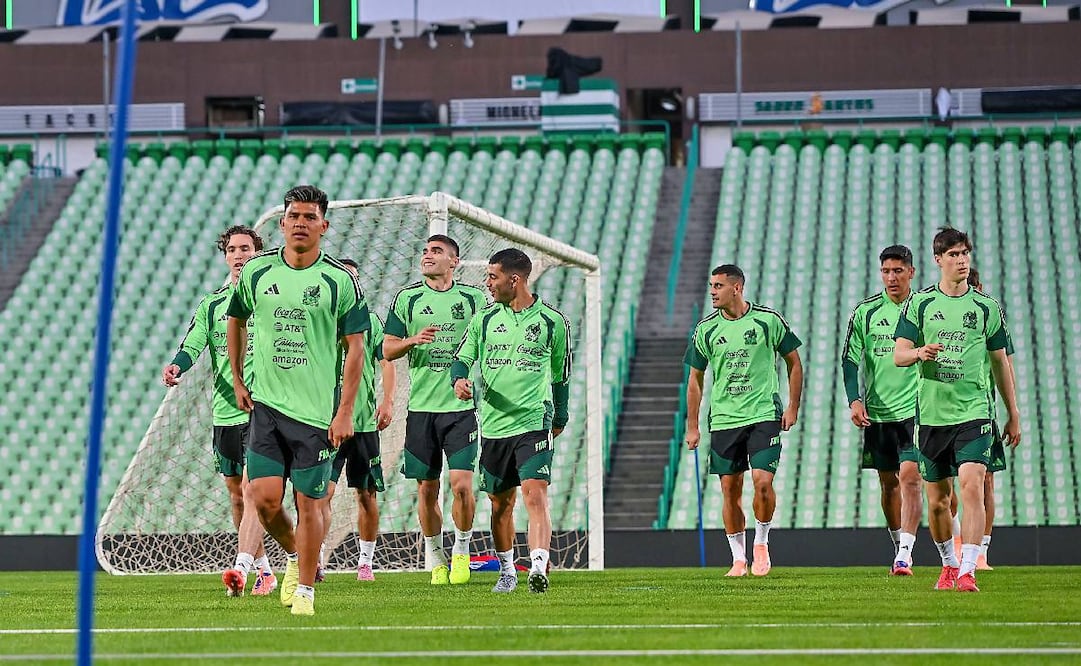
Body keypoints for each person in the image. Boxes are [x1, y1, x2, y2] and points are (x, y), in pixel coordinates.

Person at [227, 185, 370, 616]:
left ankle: (304, 590)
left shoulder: (339, 281)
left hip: (315, 414)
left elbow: (356, 348)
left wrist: (345, 411)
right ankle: (296, 556)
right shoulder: (256, 273)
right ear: (283, 223)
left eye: (310, 217)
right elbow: (236, 320)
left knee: (311, 503)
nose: (301, 223)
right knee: (265, 500)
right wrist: (237, 378)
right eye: (294, 216)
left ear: (323, 226)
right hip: (267, 408)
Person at [894, 227, 1020, 593]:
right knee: (938, 504)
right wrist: (918, 352)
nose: (962, 260)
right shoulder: (919, 304)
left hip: (975, 413)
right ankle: (949, 563)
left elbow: (1000, 362)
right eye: (953, 255)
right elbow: (899, 354)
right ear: (938, 260)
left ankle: (968, 569)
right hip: (933, 416)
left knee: (972, 485)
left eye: (965, 253)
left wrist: (1013, 412)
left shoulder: (986, 307)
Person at [161, 225, 276, 597]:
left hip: (267, 409)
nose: (239, 254)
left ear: (258, 252)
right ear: (225, 256)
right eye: (232, 249)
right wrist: (178, 365)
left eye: (246, 248)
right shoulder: (212, 304)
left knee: (253, 488)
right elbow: (194, 341)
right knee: (236, 494)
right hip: (226, 410)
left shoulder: (273, 297)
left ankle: (241, 568)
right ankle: (265, 570)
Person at [450, 248, 570, 594]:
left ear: (513, 280)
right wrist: (458, 380)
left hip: (533, 420)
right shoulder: (484, 320)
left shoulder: (552, 322)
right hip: (494, 425)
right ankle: (506, 571)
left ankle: (537, 566)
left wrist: (559, 415)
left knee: (535, 495)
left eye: (493, 277)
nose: (488, 284)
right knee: (501, 504)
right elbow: (462, 359)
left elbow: (562, 376)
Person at [684, 265, 803, 578]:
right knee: (729, 490)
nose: (713, 291)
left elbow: (794, 363)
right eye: (711, 285)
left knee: (762, 483)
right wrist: (692, 425)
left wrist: (792, 407)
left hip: (764, 414)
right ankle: (738, 559)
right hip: (724, 419)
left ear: (736, 288)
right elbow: (695, 379)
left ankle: (761, 543)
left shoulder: (768, 320)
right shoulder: (706, 330)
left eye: (719, 286)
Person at [384, 235, 487, 585]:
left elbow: (487, 345)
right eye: (426, 251)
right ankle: (435, 557)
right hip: (421, 410)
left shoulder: (474, 299)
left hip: (460, 410)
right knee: (426, 490)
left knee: (461, 486)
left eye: (437, 252)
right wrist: (411, 341)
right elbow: (387, 349)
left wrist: (473, 380)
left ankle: (461, 551)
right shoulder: (407, 298)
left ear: (454, 261)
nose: (428, 256)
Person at [841, 245, 923, 576]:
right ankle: (898, 544)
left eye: (898, 271)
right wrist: (854, 400)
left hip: (918, 409)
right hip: (879, 412)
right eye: (886, 271)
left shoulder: (925, 308)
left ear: (911, 273)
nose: (891, 277)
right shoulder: (866, 313)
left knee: (910, 478)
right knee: (889, 484)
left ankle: (906, 553)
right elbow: (849, 360)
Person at [320, 258, 396, 582]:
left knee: (365, 495)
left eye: (354, 278)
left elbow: (387, 362)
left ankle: (365, 561)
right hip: (326, 421)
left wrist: (388, 401)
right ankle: (317, 559)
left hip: (363, 422)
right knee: (321, 493)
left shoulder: (373, 323)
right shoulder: (320, 321)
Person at [965, 267, 1016, 571]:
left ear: (979, 286)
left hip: (984, 412)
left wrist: (1014, 414)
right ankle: (961, 545)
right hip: (946, 415)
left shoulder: (990, 319)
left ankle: (981, 551)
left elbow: (1006, 367)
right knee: (950, 486)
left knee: (985, 483)